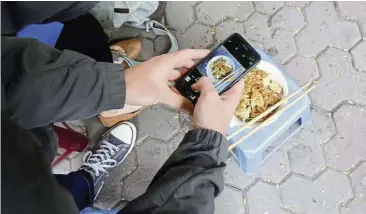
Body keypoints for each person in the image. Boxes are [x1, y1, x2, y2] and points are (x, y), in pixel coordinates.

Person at [1, 2, 244, 214]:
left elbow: (8, 77)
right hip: (31, 179)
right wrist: (206, 146)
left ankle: (88, 179)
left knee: (84, 29)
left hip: (33, 160)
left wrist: (116, 86)